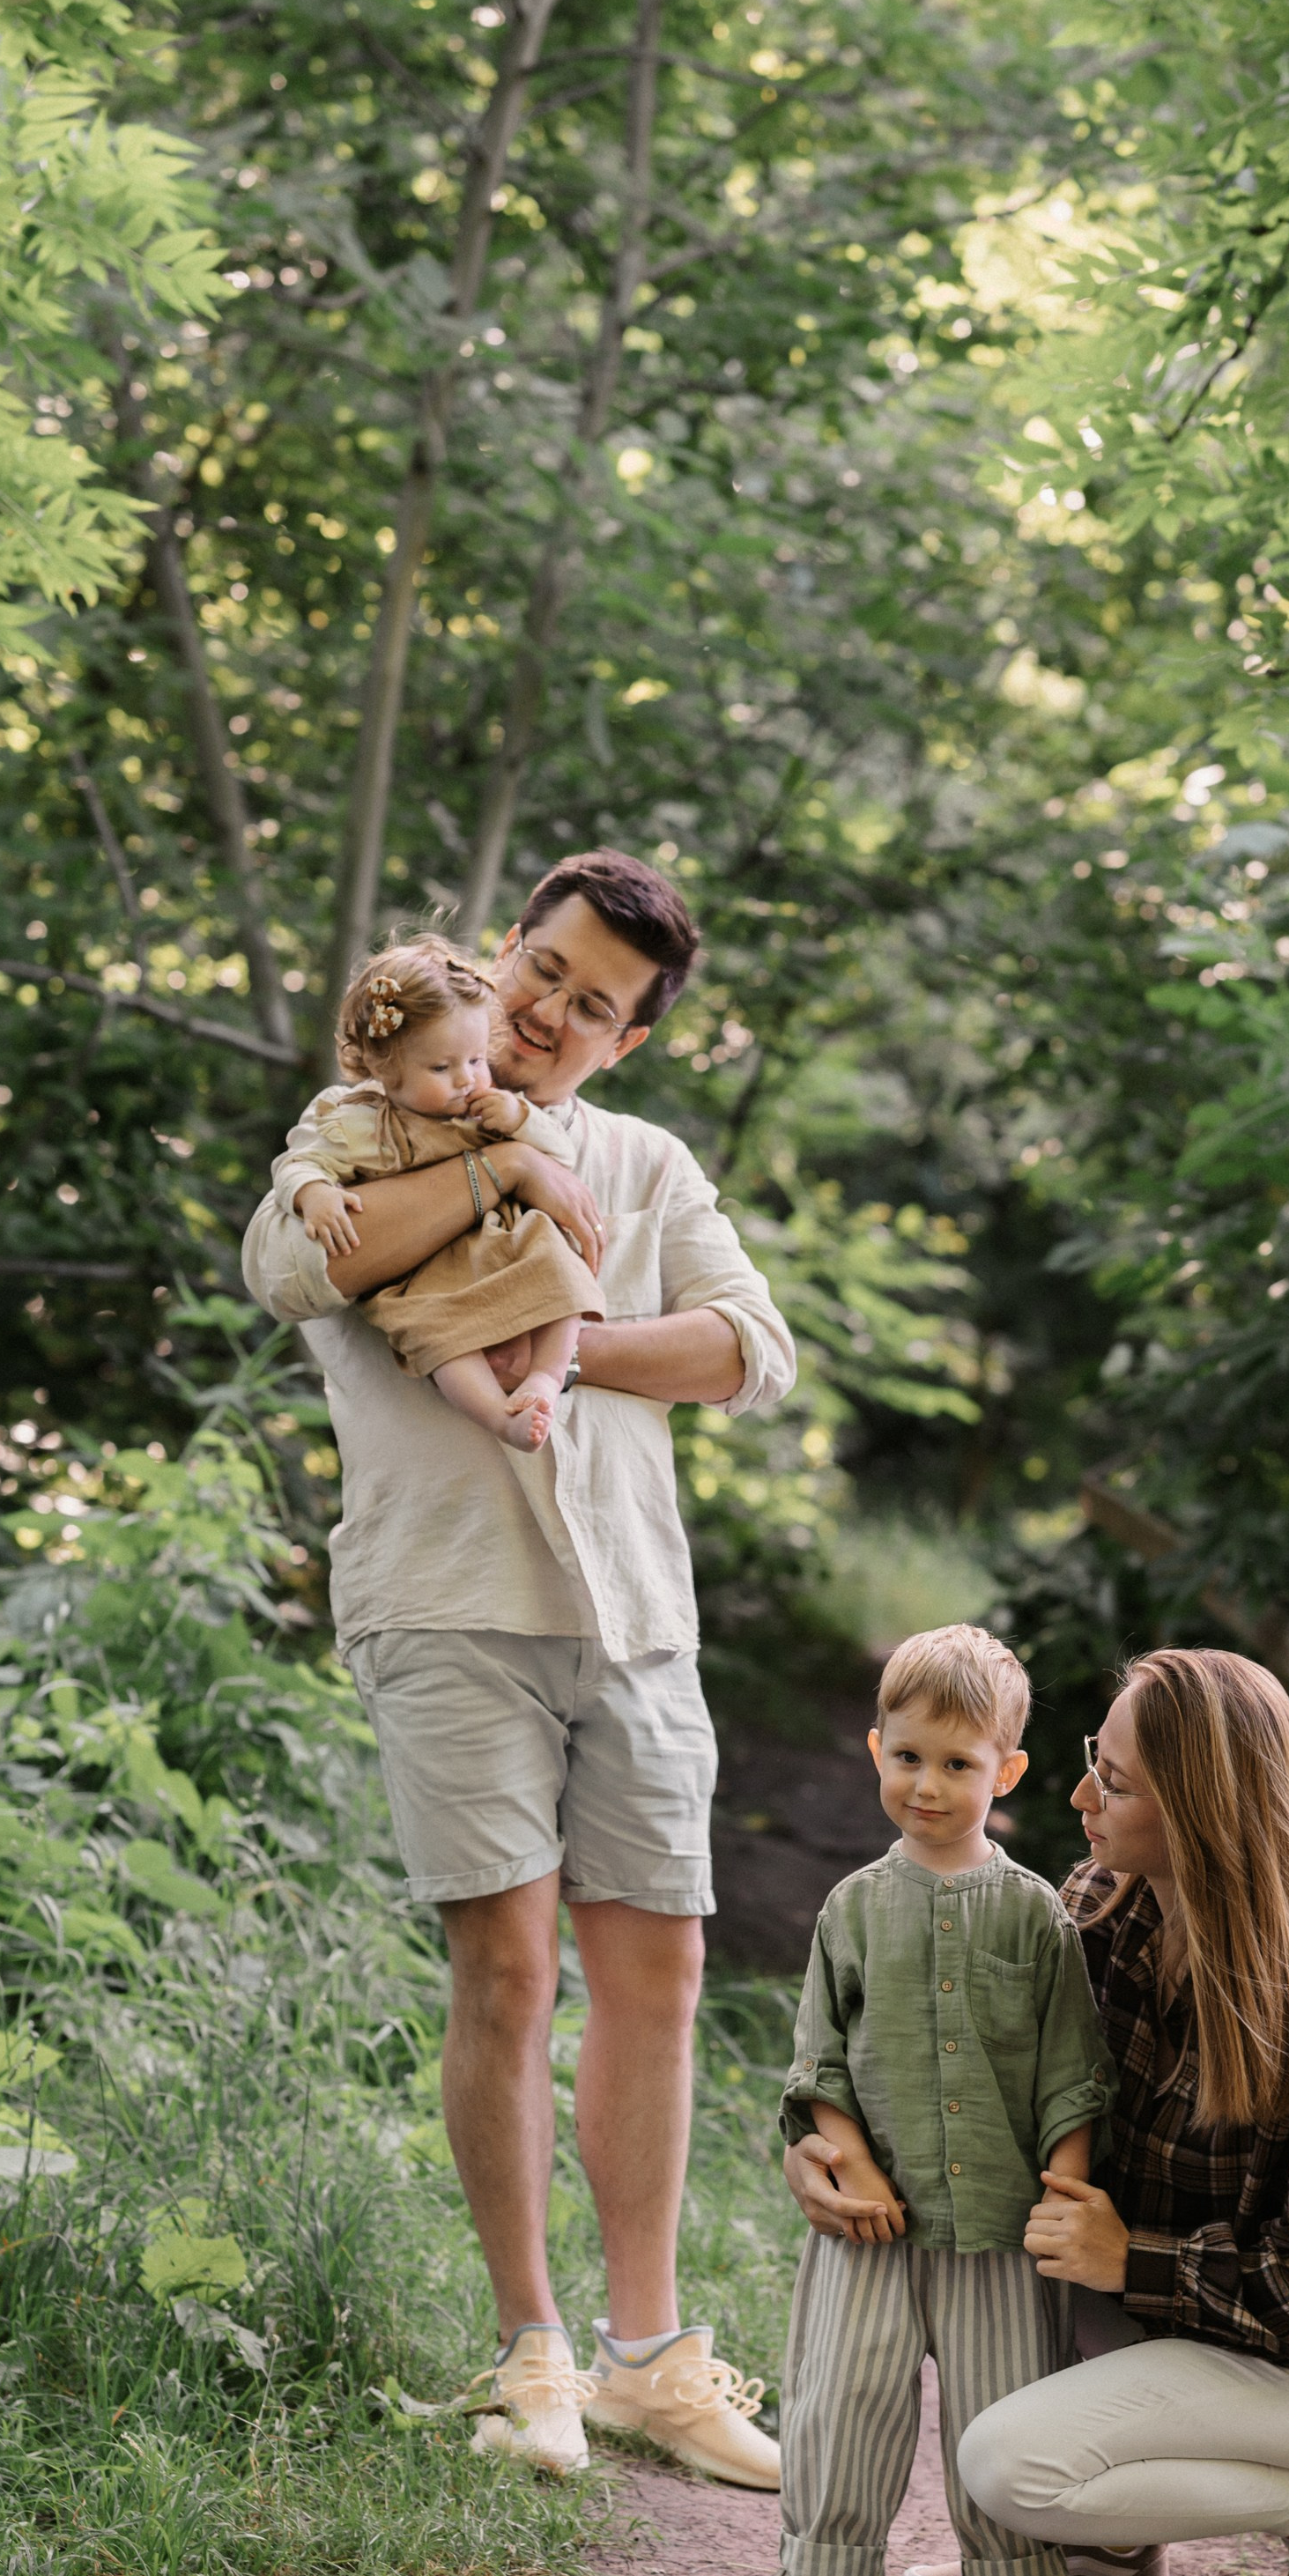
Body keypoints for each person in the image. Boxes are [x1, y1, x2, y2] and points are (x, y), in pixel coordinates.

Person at [242, 849, 796, 2486]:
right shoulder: (353, 1122)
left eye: (596, 1005)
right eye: (544, 970)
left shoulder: (641, 1159)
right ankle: (530, 2353)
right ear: (501, 955)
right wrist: (495, 1191)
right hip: (445, 1602)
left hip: (632, 1615)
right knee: (505, 1970)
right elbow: (296, 1269)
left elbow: (748, 1352)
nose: (556, 1012)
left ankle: (648, 2356)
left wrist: (531, 1329)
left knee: (657, 1975)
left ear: (626, 1041)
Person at [788, 1647, 1289, 2576]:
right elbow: (973, 2089)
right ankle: (1110, 2544)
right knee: (1012, 2270)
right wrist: (822, 2144)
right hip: (1189, 2326)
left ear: (1202, 1810)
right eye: (1089, 1759)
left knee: (1008, 2464)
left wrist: (1137, 2259)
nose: (1075, 1794)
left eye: (1111, 1779)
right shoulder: (1102, 1909)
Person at [765, 1625, 1114, 2576]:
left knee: (1004, 2391)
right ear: (876, 1748)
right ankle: (818, 2570)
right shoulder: (853, 1908)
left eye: (958, 1764)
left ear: (1003, 1771)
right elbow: (818, 2055)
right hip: (870, 2221)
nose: (928, 1783)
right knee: (845, 2389)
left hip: (1002, 2221)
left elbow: (1067, 2069)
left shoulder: (1035, 1916)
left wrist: (1066, 2188)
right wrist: (850, 2158)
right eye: (908, 1756)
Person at [275, 935, 602, 1454]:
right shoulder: (359, 1120)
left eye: (476, 1059)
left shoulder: (488, 1107)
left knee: (562, 1270)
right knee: (442, 1339)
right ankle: (499, 1417)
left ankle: (545, 1376)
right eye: (442, 1068)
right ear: (385, 1066)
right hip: (424, 1269)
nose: (467, 1079)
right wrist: (314, 1194)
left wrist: (520, 1119)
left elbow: (558, 1161)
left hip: (505, 1244)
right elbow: (298, 1161)